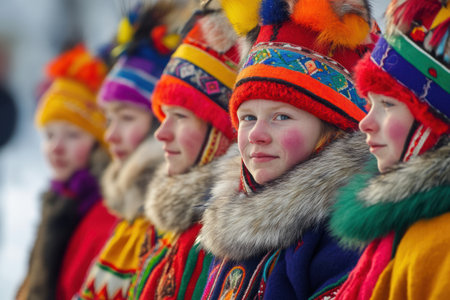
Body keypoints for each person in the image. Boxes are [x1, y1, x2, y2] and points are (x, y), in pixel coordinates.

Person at [198, 0, 376, 298]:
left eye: (281, 117)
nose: (256, 134)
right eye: (247, 118)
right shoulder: (229, 230)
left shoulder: (344, 238)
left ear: (332, 130)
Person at [330, 0, 450, 299]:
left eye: (387, 104)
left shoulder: (438, 244)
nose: (365, 124)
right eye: (369, 104)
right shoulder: (400, 226)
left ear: (435, 119)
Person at [127, 7, 241, 300]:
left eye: (180, 116)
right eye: (163, 116)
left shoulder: (223, 241)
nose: (161, 133)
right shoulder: (167, 228)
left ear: (223, 129)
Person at [74, 3, 183, 299]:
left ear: (159, 120)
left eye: (127, 117)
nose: (110, 135)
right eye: (109, 119)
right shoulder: (127, 214)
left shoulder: (167, 226)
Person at [16, 45, 115, 300]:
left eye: (72, 135)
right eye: (49, 135)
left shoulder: (102, 212)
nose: (57, 147)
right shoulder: (60, 198)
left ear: (98, 142)